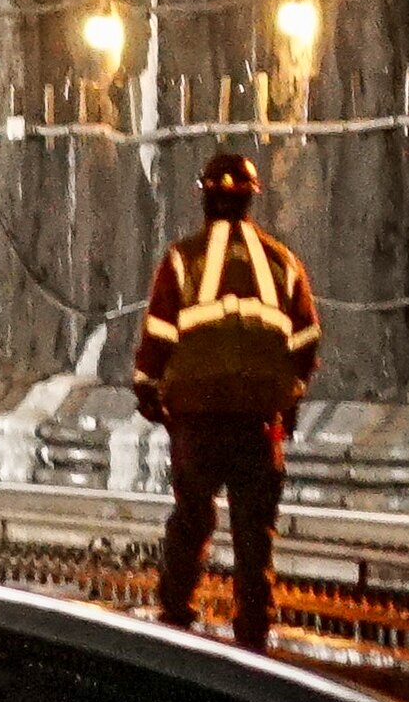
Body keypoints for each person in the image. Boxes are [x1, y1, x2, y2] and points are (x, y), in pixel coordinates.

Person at [133, 149, 319, 650]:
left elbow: (158, 334)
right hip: (258, 420)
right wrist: (288, 397)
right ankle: (254, 631)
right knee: (254, 532)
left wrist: (148, 389)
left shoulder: (181, 259)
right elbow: (306, 341)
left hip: (197, 418)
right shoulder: (283, 262)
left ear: (205, 198)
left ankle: (175, 617)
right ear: (250, 200)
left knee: (192, 516)